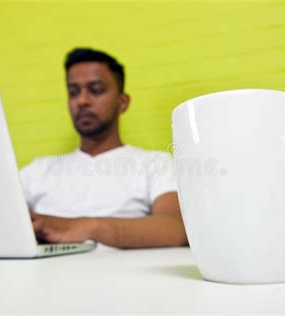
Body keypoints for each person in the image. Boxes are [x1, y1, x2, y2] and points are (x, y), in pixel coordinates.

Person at [20, 48, 188, 249]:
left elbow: (177, 228)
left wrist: (84, 227)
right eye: (73, 92)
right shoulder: (36, 170)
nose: (82, 101)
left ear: (122, 102)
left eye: (96, 90)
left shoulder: (155, 164)